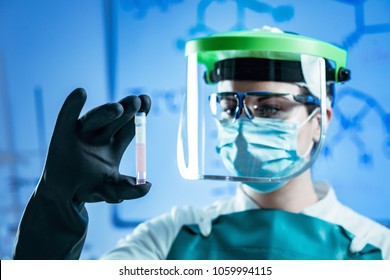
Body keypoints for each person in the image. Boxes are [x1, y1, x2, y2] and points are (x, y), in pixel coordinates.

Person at [13, 27, 390, 260]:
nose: (243, 124)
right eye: (229, 106)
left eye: (271, 108)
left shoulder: (376, 251)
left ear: (319, 120)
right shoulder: (169, 238)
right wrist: (55, 210)